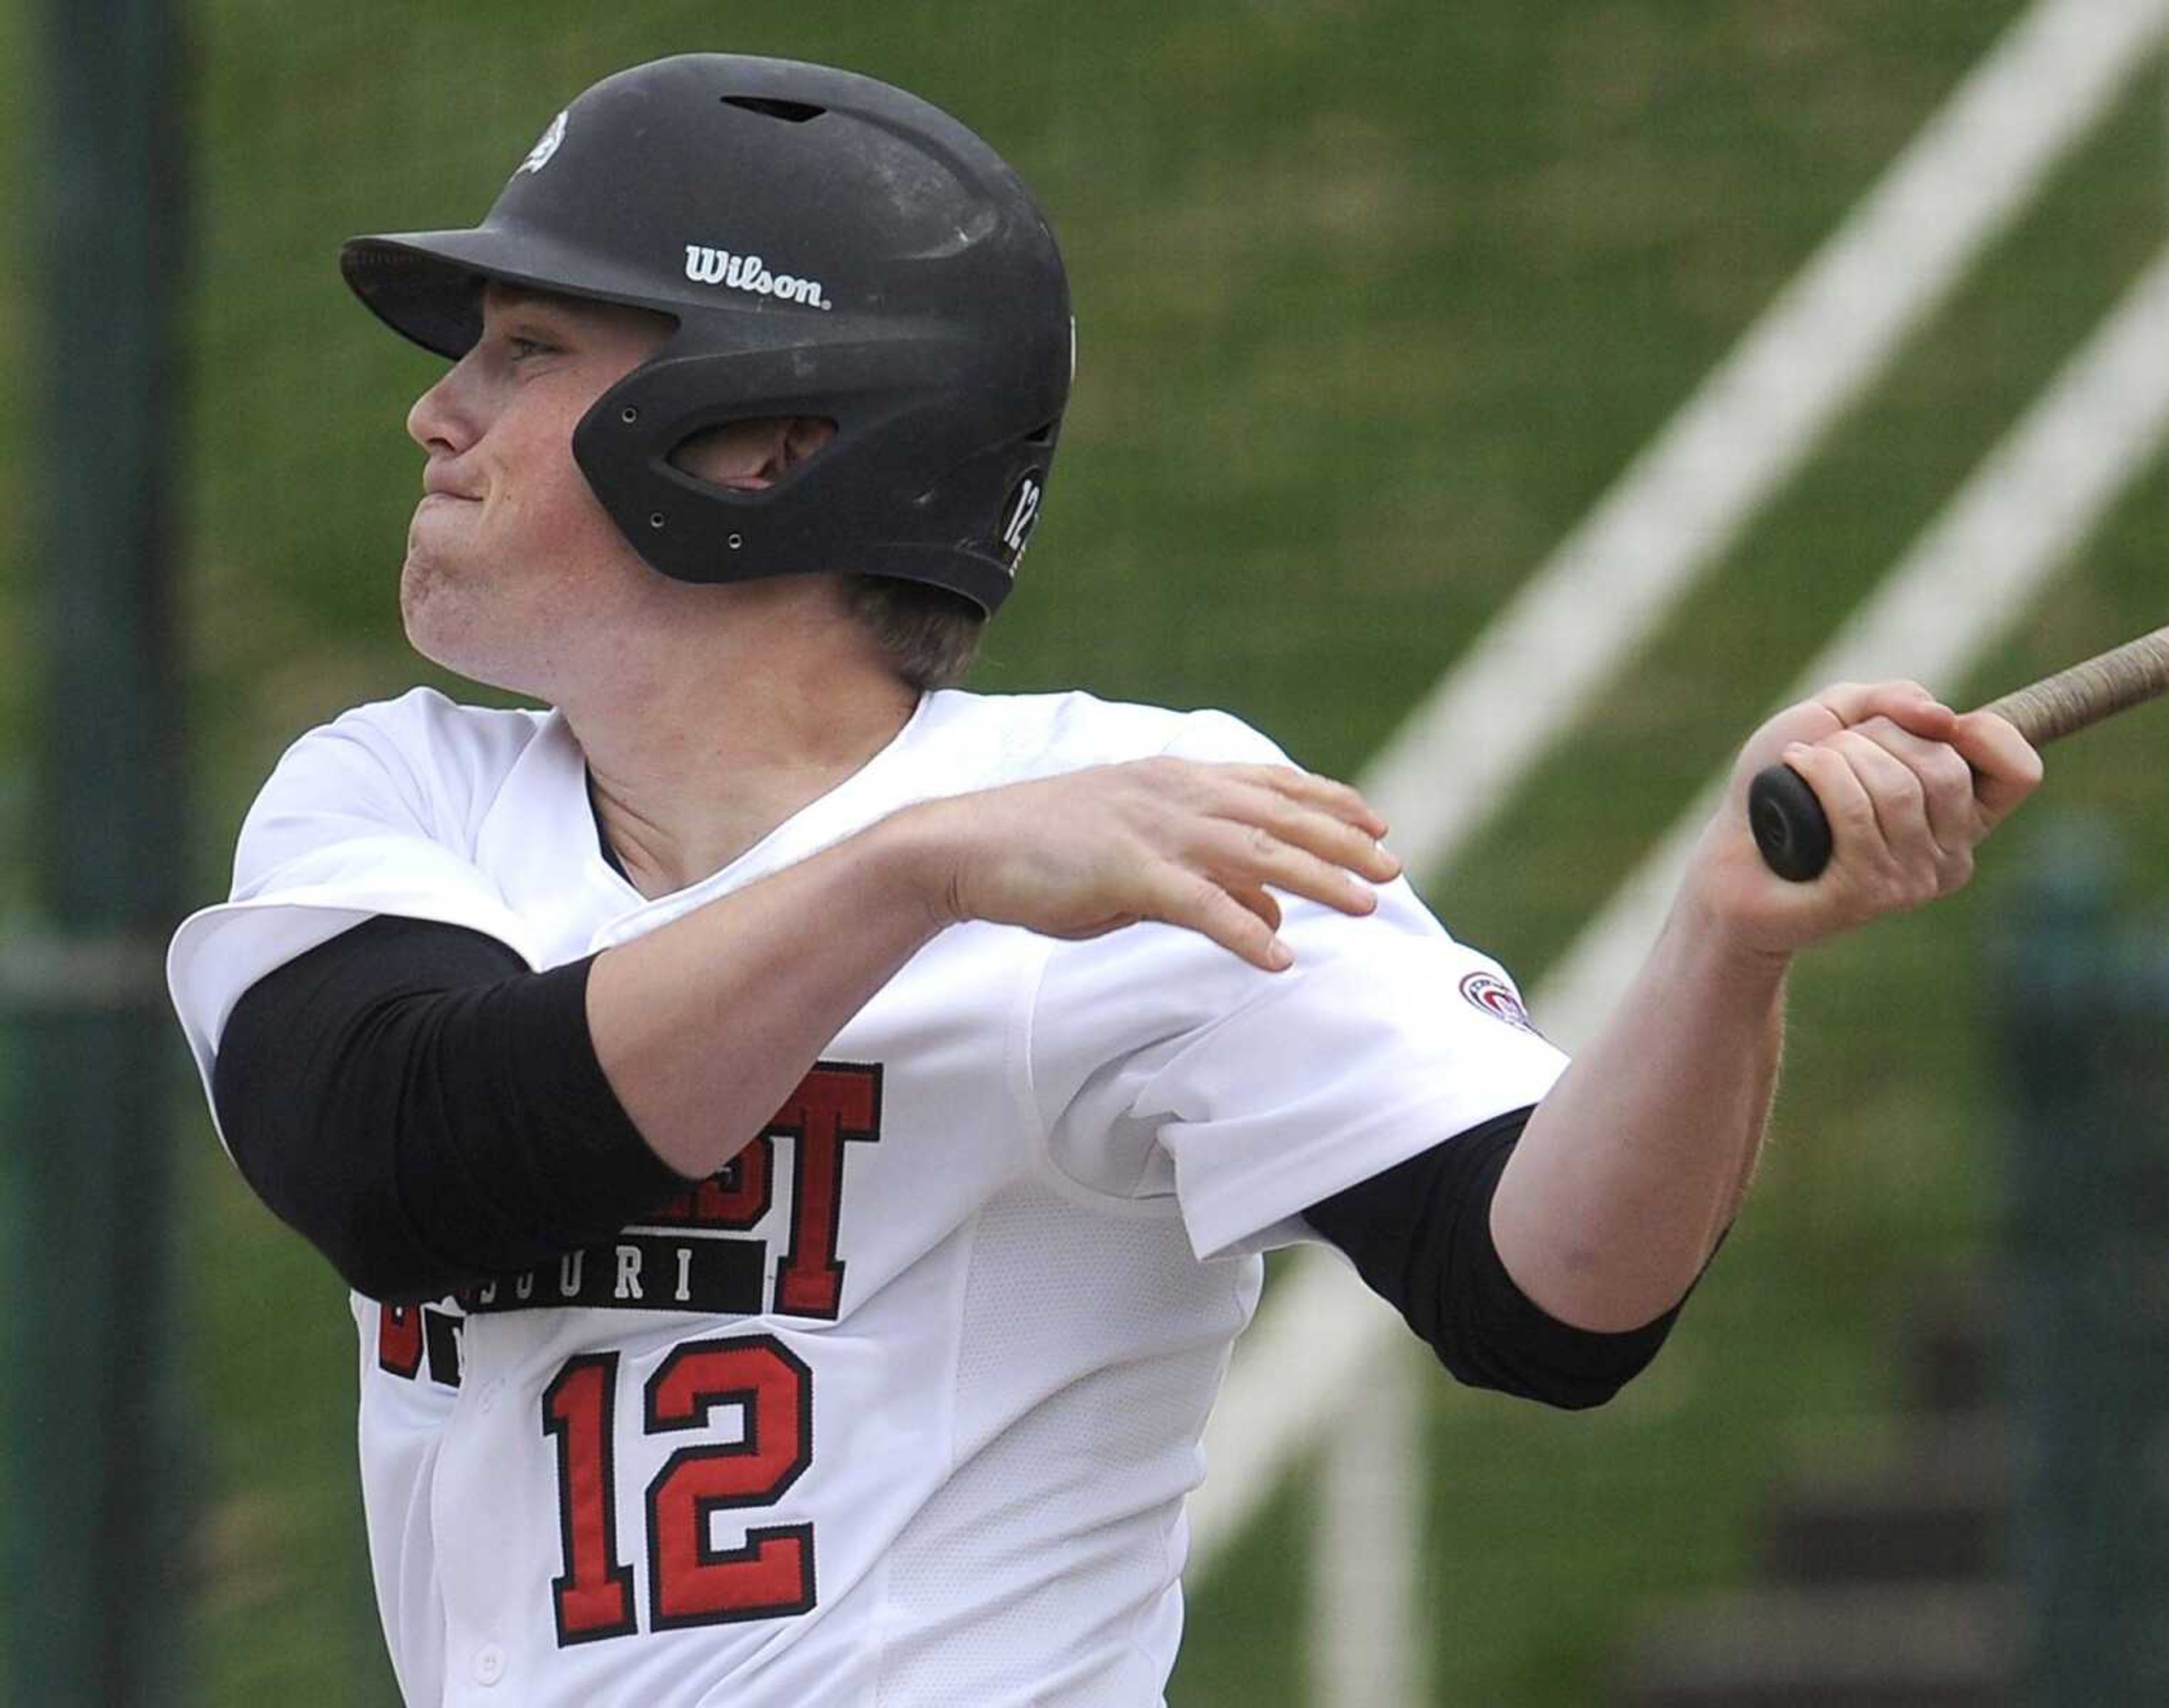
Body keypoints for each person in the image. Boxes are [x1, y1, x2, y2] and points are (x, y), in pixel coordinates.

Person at [166, 52, 2040, 1708]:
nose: (440, 413)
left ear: (766, 440)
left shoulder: (1143, 817)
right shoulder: (401, 798)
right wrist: (921, 874)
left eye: (531, 353)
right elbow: (407, 1168)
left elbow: (1548, 1301)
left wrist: (1724, 945)